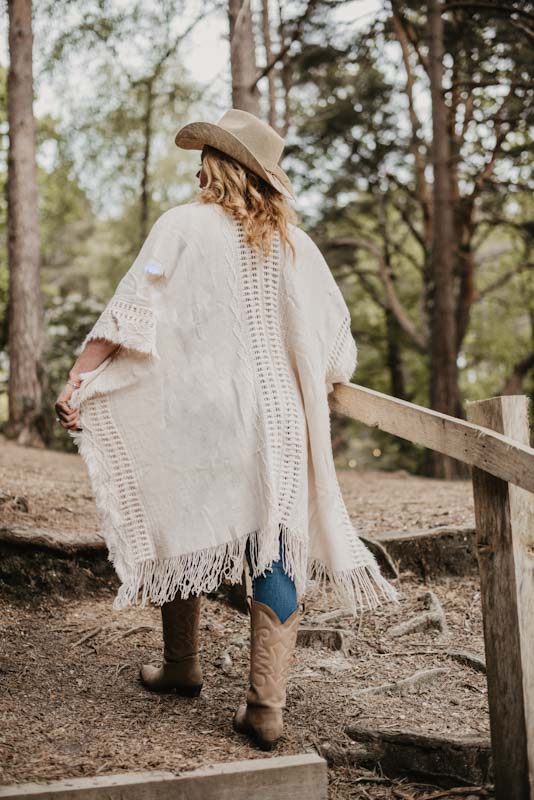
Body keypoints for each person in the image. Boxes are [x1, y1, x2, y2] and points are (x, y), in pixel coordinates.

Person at [55, 109, 399, 751]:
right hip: (281, 423)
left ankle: (181, 666)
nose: (196, 169)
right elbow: (336, 356)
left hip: (201, 415)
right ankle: (265, 708)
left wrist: (80, 377)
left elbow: (130, 313)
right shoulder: (297, 247)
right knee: (274, 540)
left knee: (183, 518)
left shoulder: (180, 226)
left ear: (218, 166)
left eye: (204, 158)